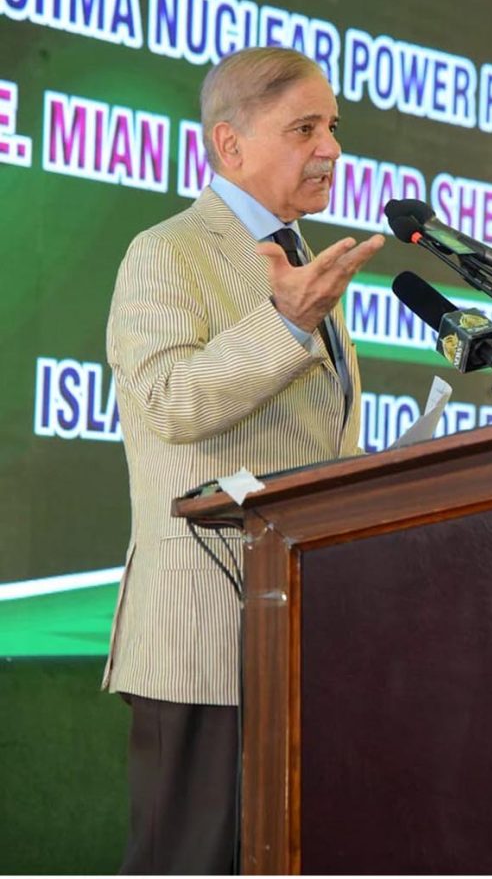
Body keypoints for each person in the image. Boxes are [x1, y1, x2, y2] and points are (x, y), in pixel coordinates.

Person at [102, 46, 385, 874]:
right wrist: (286, 326)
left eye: (331, 127)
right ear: (229, 145)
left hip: (298, 635)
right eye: (305, 128)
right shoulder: (169, 252)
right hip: (202, 638)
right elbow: (169, 403)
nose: (331, 148)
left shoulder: (302, 262)